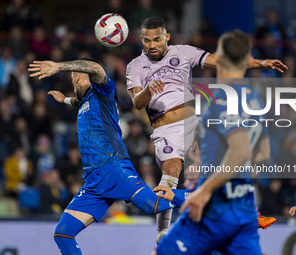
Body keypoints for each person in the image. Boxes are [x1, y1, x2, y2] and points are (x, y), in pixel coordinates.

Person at [126, 16, 286, 243]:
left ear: (166, 37)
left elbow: (222, 61)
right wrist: (148, 90)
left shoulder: (182, 52)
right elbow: (137, 102)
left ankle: (250, 211)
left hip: (194, 122)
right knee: (171, 171)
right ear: (141, 40)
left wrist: (261, 63)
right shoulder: (135, 66)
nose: (152, 45)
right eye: (147, 41)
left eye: (157, 39)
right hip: (165, 128)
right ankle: (162, 235)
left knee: (227, 156)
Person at [28, 57, 186, 255]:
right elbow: (80, 101)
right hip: (93, 181)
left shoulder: (103, 91)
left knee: (155, 205)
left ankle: (197, 196)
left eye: (72, 78)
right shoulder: (85, 100)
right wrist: (66, 100)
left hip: (113, 168)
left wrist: (58, 67)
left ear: (77, 77)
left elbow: (95, 67)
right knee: (63, 233)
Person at [153, 29, 272, 255]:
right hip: (244, 206)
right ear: (247, 60)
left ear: (220, 57)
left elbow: (241, 151)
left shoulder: (225, 98)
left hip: (216, 207)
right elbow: (263, 153)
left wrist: (205, 191)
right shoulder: (254, 99)